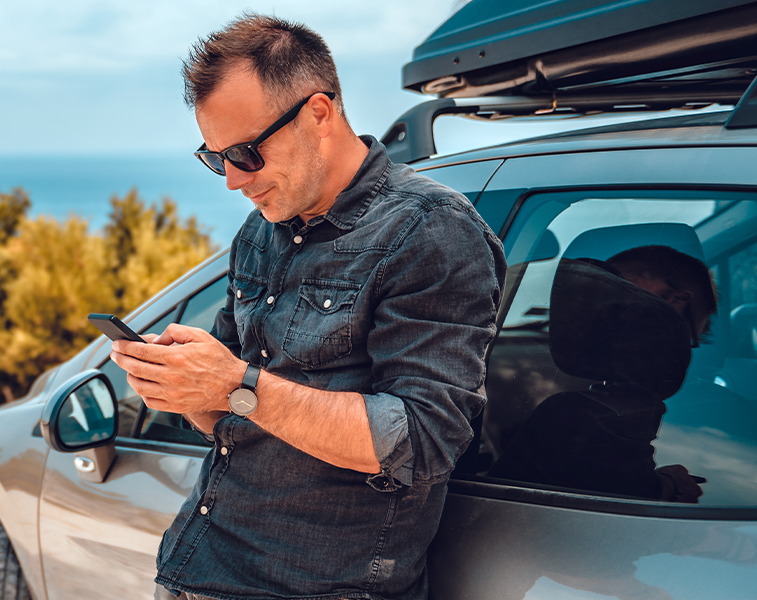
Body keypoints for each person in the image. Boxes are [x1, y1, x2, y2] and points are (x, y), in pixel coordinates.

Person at [108, 14, 506, 600]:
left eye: (245, 153)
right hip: (201, 565)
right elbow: (234, 419)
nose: (232, 180)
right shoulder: (260, 231)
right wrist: (181, 389)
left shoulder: (431, 232)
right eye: (215, 158)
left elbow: (424, 438)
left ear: (318, 114)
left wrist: (235, 386)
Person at [488, 246, 717, 503]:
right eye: (689, 336)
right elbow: (606, 480)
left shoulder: (508, 290)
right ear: (673, 302)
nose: (681, 347)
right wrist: (666, 488)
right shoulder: (594, 409)